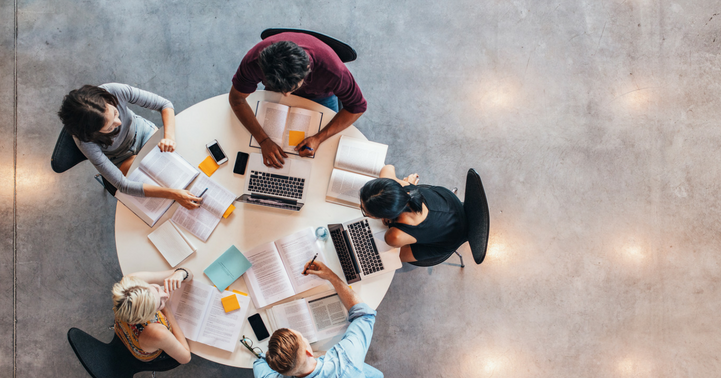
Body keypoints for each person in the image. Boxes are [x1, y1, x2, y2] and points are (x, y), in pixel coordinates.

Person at [250, 261, 383, 378]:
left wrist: (267, 357)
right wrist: (331, 276)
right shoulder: (346, 359)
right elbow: (365, 315)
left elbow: (259, 364)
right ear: (308, 350)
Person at [229, 32, 367, 169]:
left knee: (324, 154)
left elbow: (357, 107)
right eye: (282, 90)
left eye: (291, 89)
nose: (286, 96)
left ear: (308, 69)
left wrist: (319, 138)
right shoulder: (253, 61)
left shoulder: (334, 72)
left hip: (321, 95)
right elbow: (236, 99)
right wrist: (263, 140)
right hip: (276, 92)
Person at [58, 83, 202, 209]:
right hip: (119, 158)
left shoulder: (114, 91)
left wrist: (169, 137)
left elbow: (165, 105)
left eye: (115, 113)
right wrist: (173, 194)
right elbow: (123, 185)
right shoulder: (85, 141)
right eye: (110, 127)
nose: (119, 123)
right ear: (93, 134)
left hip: (144, 134)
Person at [359, 165, 467, 263]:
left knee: (388, 258)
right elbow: (388, 168)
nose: (360, 207)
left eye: (365, 212)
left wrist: (390, 222)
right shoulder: (403, 186)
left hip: (451, 239)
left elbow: (394, 241)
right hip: (450, 203)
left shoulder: (394, 236)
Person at [111, 268, 192, 364]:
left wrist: (181, 273)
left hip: (123, 329)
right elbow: (186, 358)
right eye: (159, 304)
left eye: (156, 289)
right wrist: (167, 310)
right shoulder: (158, 333)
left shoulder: (131, 282)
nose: (165, 295)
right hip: (147, 352)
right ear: (149, 316)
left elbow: (188, 273)